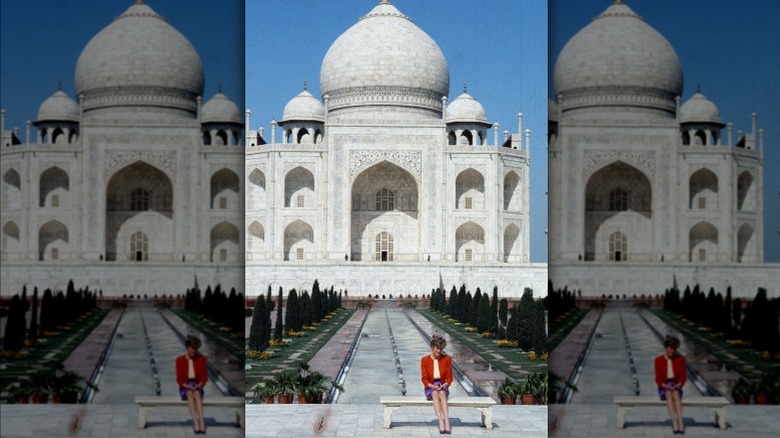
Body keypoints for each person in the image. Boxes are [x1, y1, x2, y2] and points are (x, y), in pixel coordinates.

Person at [420, 334, 453, 434]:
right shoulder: (425, 360)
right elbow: (424, 379)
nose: (439, 351)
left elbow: (449, 377)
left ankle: (447, 421)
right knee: (434, 393)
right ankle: (440, 422)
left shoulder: (446, 359)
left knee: (442, 393)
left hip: (442, 384)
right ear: (432, 347)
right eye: (437, 348)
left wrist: (445, 385)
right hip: (431, 385)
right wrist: (432, 386)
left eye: (441, 349)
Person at [654, 334, 686, 434]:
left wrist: (678, 385)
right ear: (666, 347)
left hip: (676, 384)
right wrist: (666, 386)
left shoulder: (680, 359)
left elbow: (683, 377)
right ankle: (674, 422)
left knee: (675, 393)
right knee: (668, 393)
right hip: (664, 386)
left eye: (674, 349)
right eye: (671, 348)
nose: (673, 351)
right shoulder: (658, 360)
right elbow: (658, 379)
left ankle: (680, 421)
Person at [176, 335, 208, 434]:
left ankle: (201, 422)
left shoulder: (201, 359)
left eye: (195, 349)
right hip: (185, 386)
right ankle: (196, 423)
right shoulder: (179, 360)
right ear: (187, 347)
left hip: (197, 384)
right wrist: (187, 386)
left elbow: (204, 377)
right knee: (190, 393)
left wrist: (200, 385)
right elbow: (179, 379)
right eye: (192, 349)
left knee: (197, 394)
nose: (194, 351)